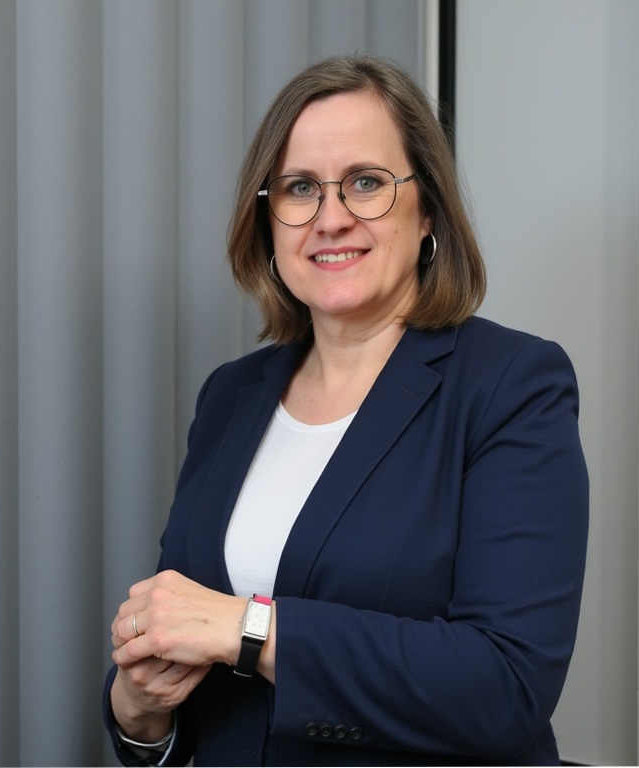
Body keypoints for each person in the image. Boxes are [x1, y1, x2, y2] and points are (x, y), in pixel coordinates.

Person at [103, 54, 589, 766]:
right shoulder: (230, 396)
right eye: (300, 188)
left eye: (366, 182)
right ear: (268, 221)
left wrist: (248, 629)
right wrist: (138, 711)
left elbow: (505, 686)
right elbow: (183, 634)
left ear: (428, 210)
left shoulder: (511, 386)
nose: (330, 219)